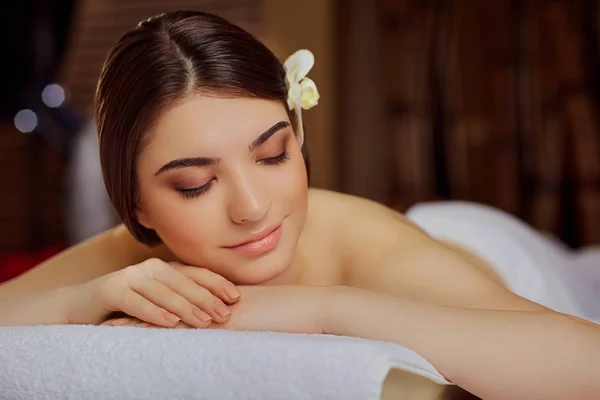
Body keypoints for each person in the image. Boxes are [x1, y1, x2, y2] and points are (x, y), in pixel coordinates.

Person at [0, 11, 599, 399]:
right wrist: (83, 298)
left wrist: (326, 307)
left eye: (273, 155)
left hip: (488, 244)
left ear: (298, 135)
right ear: (137, 205)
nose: (254, 207)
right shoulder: (137, 253)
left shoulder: (375, 253)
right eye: (195, 186)